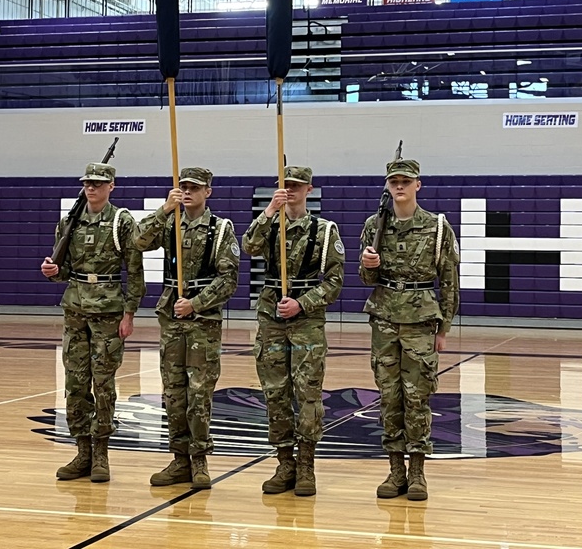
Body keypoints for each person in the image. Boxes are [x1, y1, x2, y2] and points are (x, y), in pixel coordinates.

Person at [358, 158, 460, 501]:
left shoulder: (437, 226)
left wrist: (443, 328)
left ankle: (417, 471)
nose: (399, 186)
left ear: (418, 185)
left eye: (406, 181)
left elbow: (449, 281)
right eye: (393, 181)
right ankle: (395, 469)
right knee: (389, 398)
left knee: (417, 397)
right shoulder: (376, 224)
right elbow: (366, 279)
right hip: (385, 319)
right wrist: (369, 265)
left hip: (419, 321)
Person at [132, 167, 239, 489]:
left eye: (195, 187)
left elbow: (228, 279)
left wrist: (197, 303)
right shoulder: (169, 224)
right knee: (174, 394)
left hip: (202, 322)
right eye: (183, 187)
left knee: (199, 395)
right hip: (172, 319)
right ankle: (179, 459)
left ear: (208, 192)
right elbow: (137, 240)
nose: (188, 192)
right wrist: (165, 208)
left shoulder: (219, 230)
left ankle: (200, 460)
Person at [242, 165, 344, 497]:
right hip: (271, 317)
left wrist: (302, 303)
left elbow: (334, 282)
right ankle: (284, 461)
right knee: (275, 392)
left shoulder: (325, 231)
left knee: (308, 393)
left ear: (309, 189)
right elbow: (248, 247)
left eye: (297, 185)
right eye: (286, 185)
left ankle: (306, 466)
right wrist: (269, 210)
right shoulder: (271, 225)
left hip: (306, 320)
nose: (291, 190)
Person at [40, 162, 145, 483]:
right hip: (74, 311)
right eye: (87, 183)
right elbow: (64, 271)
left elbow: (135, 270)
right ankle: (82, 451)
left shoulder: (121, 221)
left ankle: (101, 453)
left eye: (98, 183)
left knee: (103, 385)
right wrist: (53, 272)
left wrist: (130, 313)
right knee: (74, 384)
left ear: (111, 186)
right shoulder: (69, 222)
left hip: (109, 313)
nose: (91, 188)